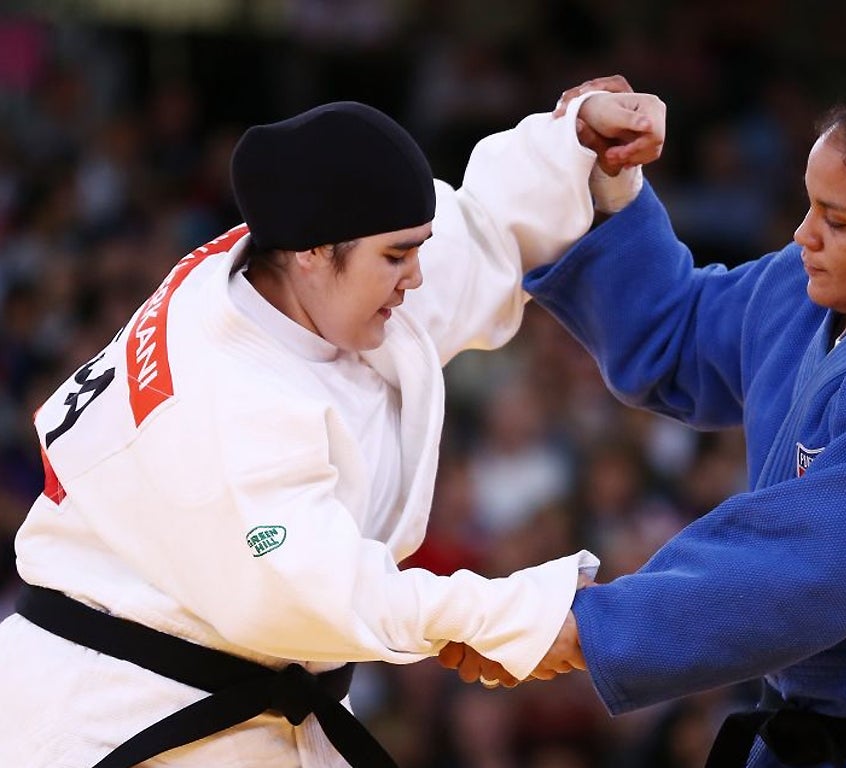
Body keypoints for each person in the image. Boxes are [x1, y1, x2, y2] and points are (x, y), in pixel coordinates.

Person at [0, 89, 666, 768]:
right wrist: (512, 617)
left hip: (239, 697)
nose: (415, 278)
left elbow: (484, 229)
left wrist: (578, 143)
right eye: (396, 257)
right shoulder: (229, 392)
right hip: (109, 717)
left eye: (417, 250)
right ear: (314, 252)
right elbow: (320, 590)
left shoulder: (292, 267)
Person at [452, 75, 846, 766]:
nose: (803, 234)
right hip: (808, 731)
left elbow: (803, 568)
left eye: (837, 221)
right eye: (809, 205)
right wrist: (606, 182)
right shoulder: (807, 288)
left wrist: (585, 627)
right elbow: (677, 332)